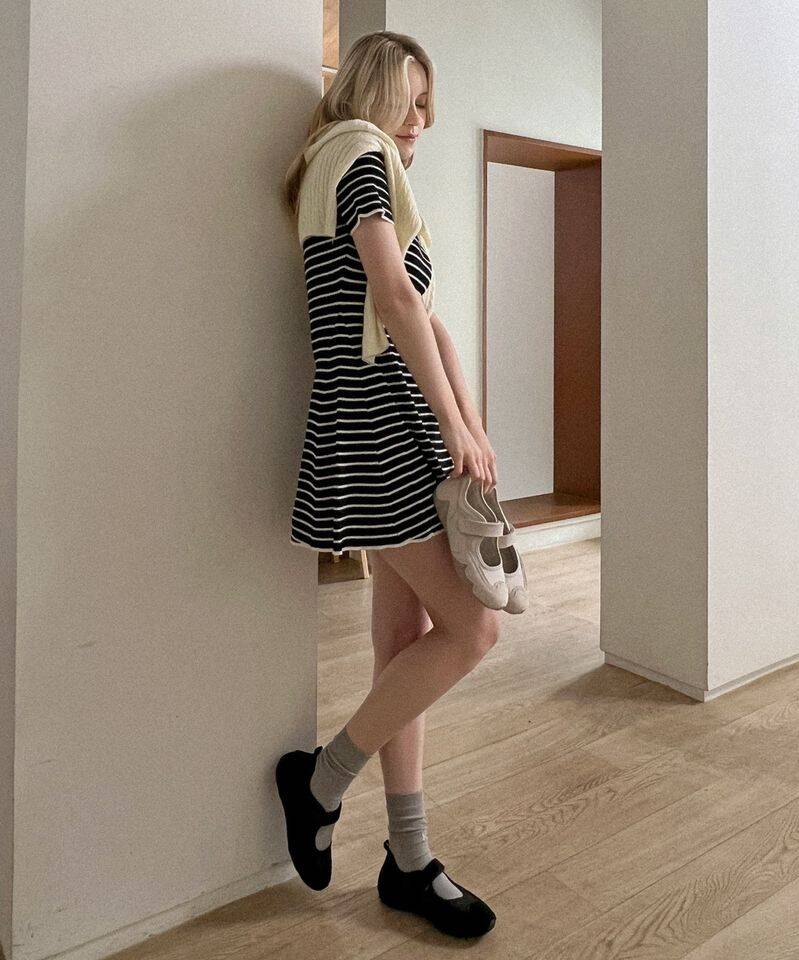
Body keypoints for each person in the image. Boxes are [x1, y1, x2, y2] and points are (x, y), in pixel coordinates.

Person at [277, 31, 501, 939]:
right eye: (410, 101)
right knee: (474, 628)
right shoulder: (358, 153)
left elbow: (429, 319)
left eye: (427, 108)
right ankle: (321, 780)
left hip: (387, 417)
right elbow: (395, 297)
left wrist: (472, 421)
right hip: (380, 419)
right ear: (371, 93)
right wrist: (453, 426)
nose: (420, 122)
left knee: (403, 646)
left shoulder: (349, 167)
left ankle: (408, 861)